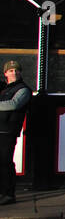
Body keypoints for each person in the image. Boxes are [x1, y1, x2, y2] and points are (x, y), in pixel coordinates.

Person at [0, 60, 32, 206]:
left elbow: (14, 104)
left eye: (16, 70)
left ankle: (9, 194)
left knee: (5, 162)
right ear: (5, 73)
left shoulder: (23, 89)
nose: (14, 73)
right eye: (11, 70)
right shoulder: (4, 89)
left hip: (8, 131)